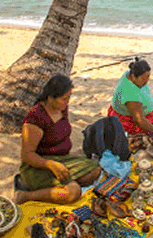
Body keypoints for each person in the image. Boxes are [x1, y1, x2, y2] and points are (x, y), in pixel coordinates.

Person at [16, 74, 102, 204]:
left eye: (69, 98)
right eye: (64, 99)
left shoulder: (61, 108)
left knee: (95, 170)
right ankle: (26, 196)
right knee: (73, 192)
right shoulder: (35, 118)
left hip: (60, 159)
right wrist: (51, 165)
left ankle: (60, 185)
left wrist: (57, 165)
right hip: (38, 166)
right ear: (50, 99)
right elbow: (27, 155)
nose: (67, 102)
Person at [107, 59, 153, 143]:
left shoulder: (130, 74)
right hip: (129, 119)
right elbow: (138, 120)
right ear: (134, 76)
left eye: (148, 76)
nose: (146, 81)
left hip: (139, 112)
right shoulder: (130, 93)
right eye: (143, 78)